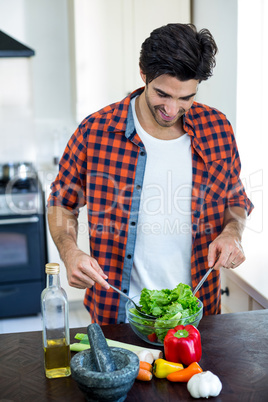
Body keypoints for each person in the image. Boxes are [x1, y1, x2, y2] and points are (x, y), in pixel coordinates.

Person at [47, 23, 253, 325]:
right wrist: (70, 253)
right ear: (143, 73)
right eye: (163, 94)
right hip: (117, 316)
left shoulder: (217, 128)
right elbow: (61, 203)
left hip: (199, 315)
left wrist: (232, 233)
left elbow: (235, 200)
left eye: (186, 98)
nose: (172, 109)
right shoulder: (96, 131)